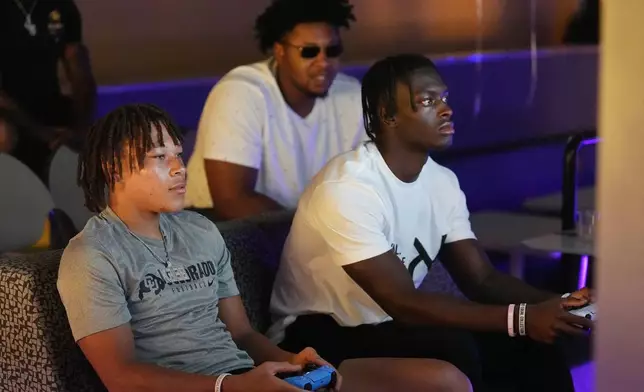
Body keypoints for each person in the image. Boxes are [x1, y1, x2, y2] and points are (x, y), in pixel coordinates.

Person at [57, 103, 472, 392]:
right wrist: (231, 387)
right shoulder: (92, 255)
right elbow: (121, 378)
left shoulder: (201, 231)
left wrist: (291, 360)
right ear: (113, 167)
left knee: (444, 381)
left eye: (179, 154)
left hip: (248, 378)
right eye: (159, 156)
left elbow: (241, 333)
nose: (179, 167)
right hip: (212, 387)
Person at [268, 54, 595, 392]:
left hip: (387, 325)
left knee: (533, 350)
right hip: (314, 335)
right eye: (427, 101)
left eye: (444, 98)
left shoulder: (442, 182)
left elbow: (481, 279)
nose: (446, 109)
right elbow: (403, 302)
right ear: (388, 115)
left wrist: (559, 304)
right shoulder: (348, 187)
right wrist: (523, 318)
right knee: (456, 349)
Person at [185, 0, 365, 221]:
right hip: (216, 231)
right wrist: (310, 235)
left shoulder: (353, 95)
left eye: (332, 50)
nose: (323, 62)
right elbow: (232, 202)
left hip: (306, 233)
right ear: (280, 51)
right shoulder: (241, 92)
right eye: (309, 51)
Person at [0, 0, 96, 182]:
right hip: (10, 114)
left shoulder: (62, 6)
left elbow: (81, 74)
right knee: (2, 134)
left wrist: (81, 127)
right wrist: (43, 133)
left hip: (48, 106)